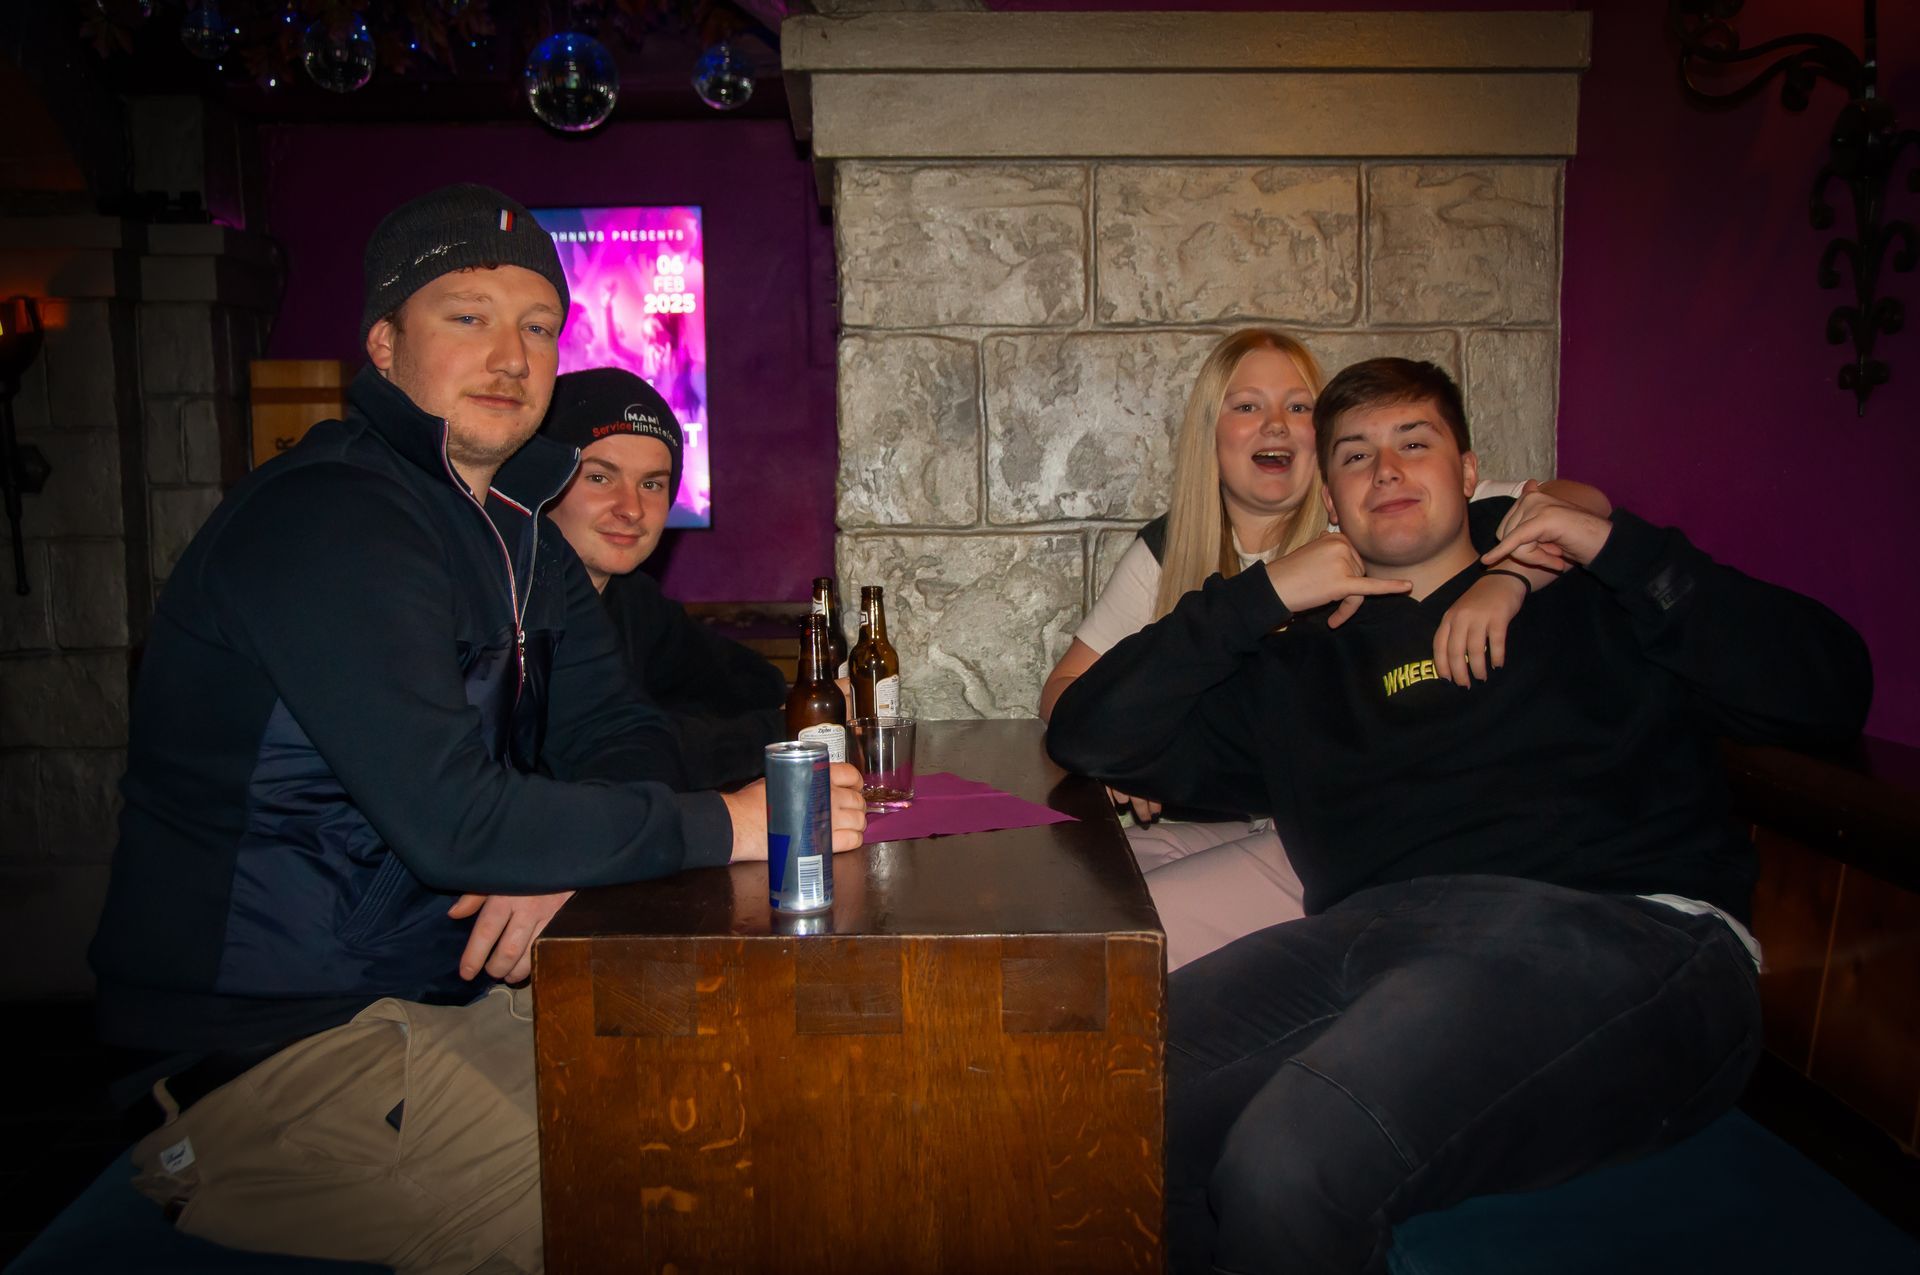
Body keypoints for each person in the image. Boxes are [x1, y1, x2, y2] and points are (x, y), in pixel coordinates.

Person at [88, 183, 865, 1274]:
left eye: (538, 326)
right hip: (266, 1053)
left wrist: (562, 859)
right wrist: (729, 823)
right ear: (384, 345)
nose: (511, 355)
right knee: (668, 1212)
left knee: (769, 1121)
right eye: (468, 316)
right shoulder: (328, 518)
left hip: (444, 990)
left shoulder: (519, 532)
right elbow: (454, 823)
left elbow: (621, 735)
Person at [1047, 357, 1871, 1275]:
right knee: (1097, 1104)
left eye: (1415, 443)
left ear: (1471, 473)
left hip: (1623, 930)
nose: (1386, 470)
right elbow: (1088, 732)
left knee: (1284, 1163)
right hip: (1368, 940)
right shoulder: (1302, 667)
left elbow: (1831, 688)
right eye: (1355, 455)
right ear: (1331, 503)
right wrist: (1259, 597)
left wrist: (1617, 549)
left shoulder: (1591, 596)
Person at [1038, 328, 1605, 969]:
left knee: (1111, 941)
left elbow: (1576, 505)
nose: (1275, 424)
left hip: (1329, 824)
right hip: (1234, 799)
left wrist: (1509, 577)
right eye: (1247, 405)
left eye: (1299, 406)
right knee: (1064, 885)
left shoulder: (1381, 513)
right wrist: (1124, 752)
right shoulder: (1173, 548)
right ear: (1209, 434)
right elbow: (1068, 700)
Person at [541, 366, 786, 790]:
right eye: (599, 477)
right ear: (544, 484)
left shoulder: (632, 599)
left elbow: (753, 682)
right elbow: (626, 763)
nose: (631, 508)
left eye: (652, 485)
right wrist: (786, 729)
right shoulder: (516, 608)